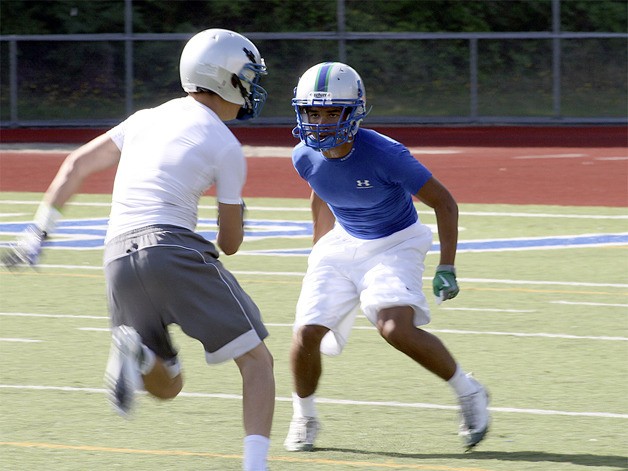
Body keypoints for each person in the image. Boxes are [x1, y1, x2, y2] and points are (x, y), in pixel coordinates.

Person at [2, 28, 275, 471]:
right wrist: (237, 211)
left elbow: (76, 164)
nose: (253, 86)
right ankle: (255, 466)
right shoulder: (226, 145)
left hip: (116, 259)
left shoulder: (144, 118)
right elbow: (230, 244)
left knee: (168, 385)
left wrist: (38, 232)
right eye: (248, 75)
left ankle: (141, 353)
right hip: (172, 248)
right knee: (257, 362)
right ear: (224, 77)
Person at [283, 62, 490, 453]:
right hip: (341, 243)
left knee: (396, 329)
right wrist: (319, 248)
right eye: (313, 112)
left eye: (332, 113)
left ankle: (469, 391)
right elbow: (321, 189)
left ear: (354, 112)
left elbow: (444, 203)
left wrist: (447, 265)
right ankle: (304, 415)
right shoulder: (303, 156)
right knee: (306, 333)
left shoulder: (386, 154)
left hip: (396, 243)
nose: (321, 122)